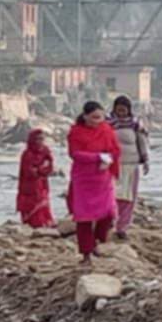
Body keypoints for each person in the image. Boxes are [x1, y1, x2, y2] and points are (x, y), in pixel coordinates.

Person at [68, 101, 121, 264]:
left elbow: (115, 149)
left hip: (102, 177)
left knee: (107, 213)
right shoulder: (76, 132)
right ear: (85, 117)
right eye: (94, 118)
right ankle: (85, 254)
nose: (98, 121)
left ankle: (97, 242)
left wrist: (109, 158)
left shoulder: (107, 130)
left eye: (101, 117)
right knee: (84, 218)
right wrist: (97, 156)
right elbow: (75, 153)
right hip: (83, 180)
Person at [108, 95, 150, 239]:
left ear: (128, 110)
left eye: (124, 110)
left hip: (131, 165)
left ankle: (122, 227)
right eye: (118, 110)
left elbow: (142, 143)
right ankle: (110, 223)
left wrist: (145, 161)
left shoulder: (135, 124)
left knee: (129, 197)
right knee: (113, 195)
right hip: (113, 165)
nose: (121, 113)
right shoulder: (107, 124)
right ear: (114, 109)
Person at [16, 129, 55, 228]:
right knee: (31, 205)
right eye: (37, 139)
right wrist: (40, 170)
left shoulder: (45, 151)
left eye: (42, 139)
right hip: (29, 186)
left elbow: (50, 166)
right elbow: (29, 172)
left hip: (42, 184)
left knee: (42, 203)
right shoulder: (27, 154)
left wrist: (40, 170)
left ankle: (45, 224)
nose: (40, 142)